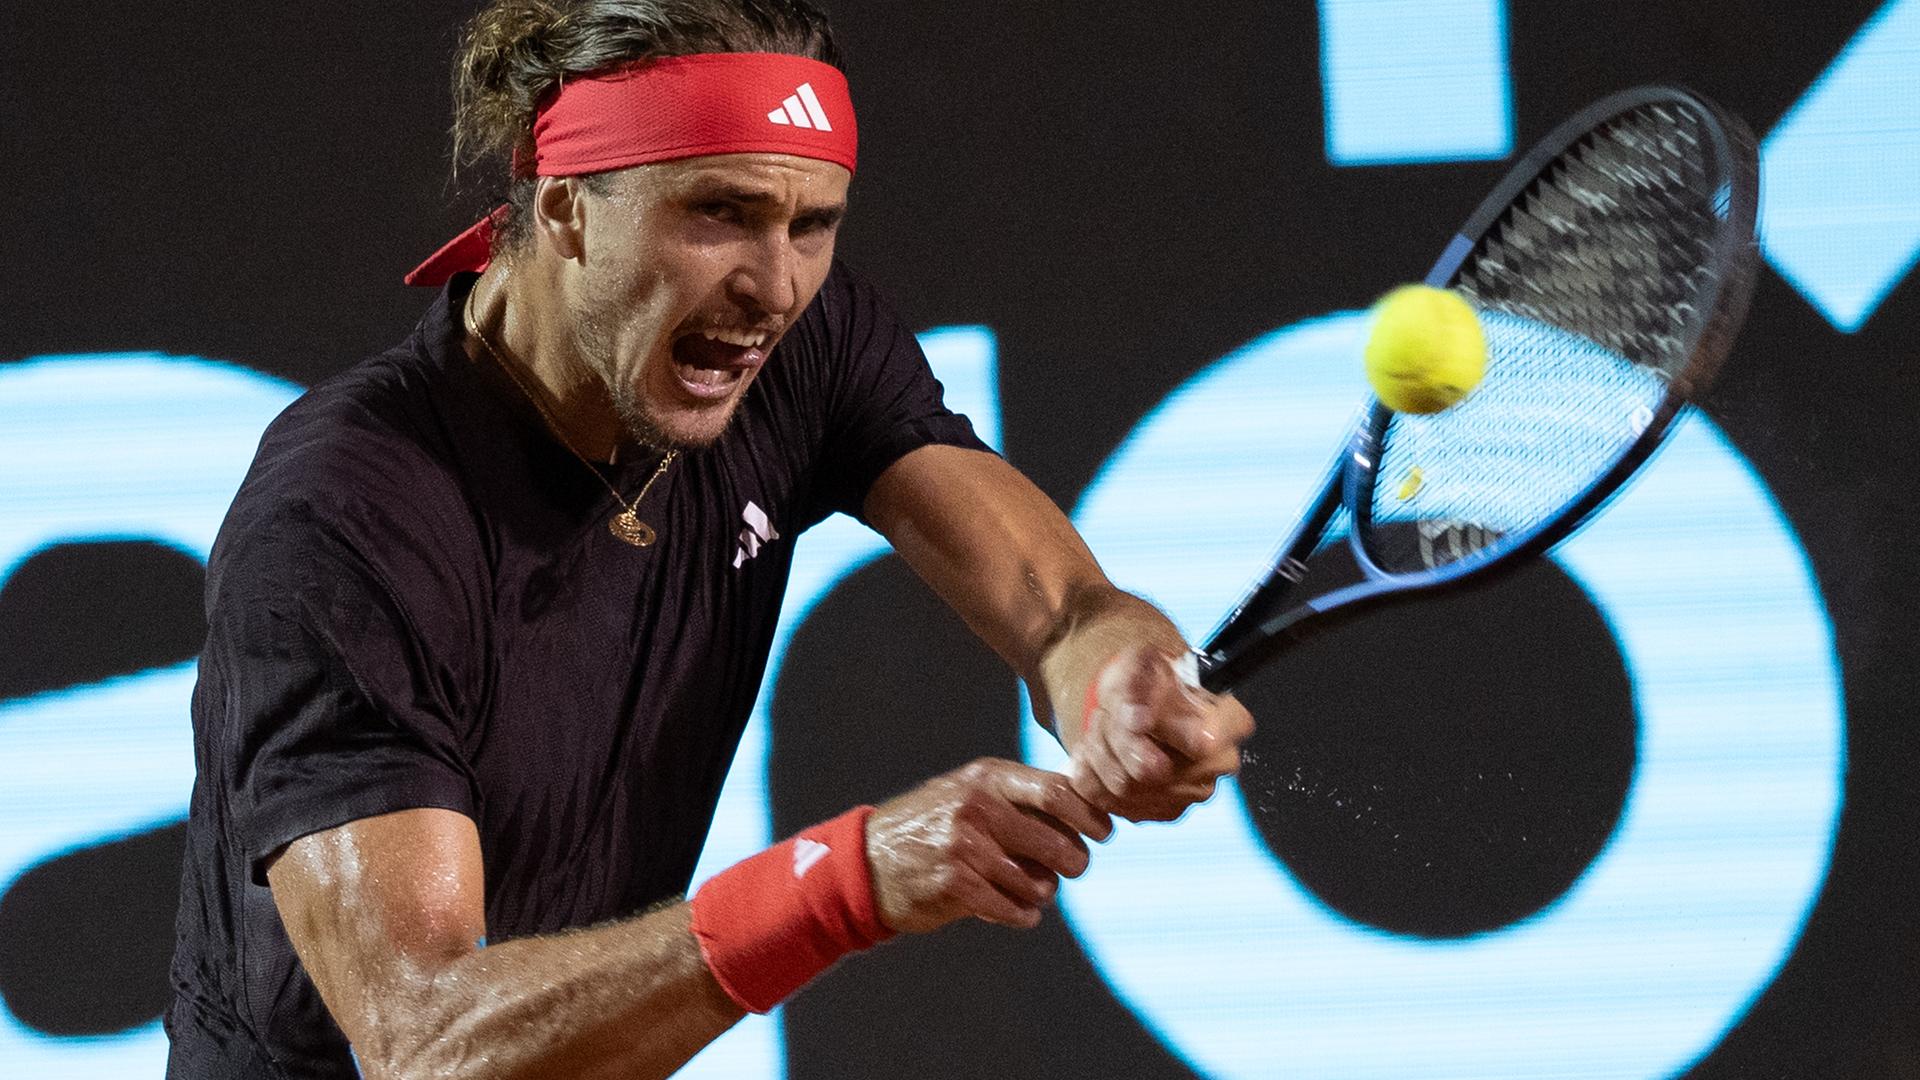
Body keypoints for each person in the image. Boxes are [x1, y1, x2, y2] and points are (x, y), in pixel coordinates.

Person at [165, 1, 1254, 1076]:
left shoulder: (804, 355)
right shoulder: (344, 518)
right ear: (564, 207)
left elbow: (1061, 612)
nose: (774, 287)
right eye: (717, 214)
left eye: (812, 225)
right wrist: (845, 881)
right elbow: (430, 1040)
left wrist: (1116, 685)